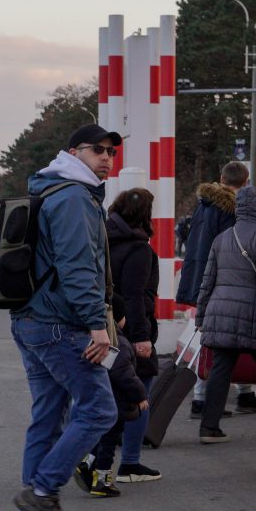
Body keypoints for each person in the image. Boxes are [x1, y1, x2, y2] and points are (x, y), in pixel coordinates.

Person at [10, 123, 120, 511]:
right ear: (74, 152)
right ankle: (41, 493)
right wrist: (97, 325)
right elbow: (77, 269)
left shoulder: (48, 188)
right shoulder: (74, 197)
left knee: (47, 418)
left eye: (111, 151)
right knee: (99, 409)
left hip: (30, 320)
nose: (106, 158)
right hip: (60, 324)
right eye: (98, 150)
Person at [194, 186, 256, 443]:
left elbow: (208, 281)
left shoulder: (222, 237)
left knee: (220, 370)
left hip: (221, 313)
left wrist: (202, 315)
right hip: (255, 315)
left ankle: (209, 427)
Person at [176, 162, 256, 417]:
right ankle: (202, 399)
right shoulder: (233, 210)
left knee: (220, 339)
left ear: (221, 178)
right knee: (227, 339)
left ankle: (241, 394)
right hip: (224, 282)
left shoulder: (204, 205)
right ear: (246, 182)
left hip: (201, 278)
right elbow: (236, 250)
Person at [106, 187, 161, 483]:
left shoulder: (102, 241)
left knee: (103, 393)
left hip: (102, 326)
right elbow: (136, 295)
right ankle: (130, 462)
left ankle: (91, 458)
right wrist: (142, 338)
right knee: (139, 394)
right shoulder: (139, 249)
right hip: (131, 330)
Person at [75, 295, 148, 497]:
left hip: (100, 399)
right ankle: (102, 481)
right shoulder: (118, 343)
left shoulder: (90, 338)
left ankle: (87, 463)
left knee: (101, 437)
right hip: (116, 403)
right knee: (109, 444)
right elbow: (125, 375)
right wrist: (140, 395)